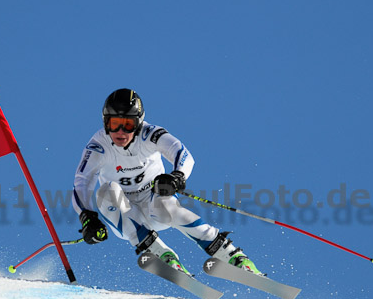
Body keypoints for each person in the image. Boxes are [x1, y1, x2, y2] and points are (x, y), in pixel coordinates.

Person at [72, 88, 263, 276]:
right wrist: (87, 217)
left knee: (165, 202)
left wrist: (177, 176)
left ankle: (231, 255)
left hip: (153, 204)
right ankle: (161, 254)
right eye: (114, 123)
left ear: (138, 123)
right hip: (123, 214)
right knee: (106, 190)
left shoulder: (149, 134)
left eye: (128, 124)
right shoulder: (98, 146)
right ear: (106, 123)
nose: (121, 131)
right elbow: (82, 182)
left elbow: (182, 153)